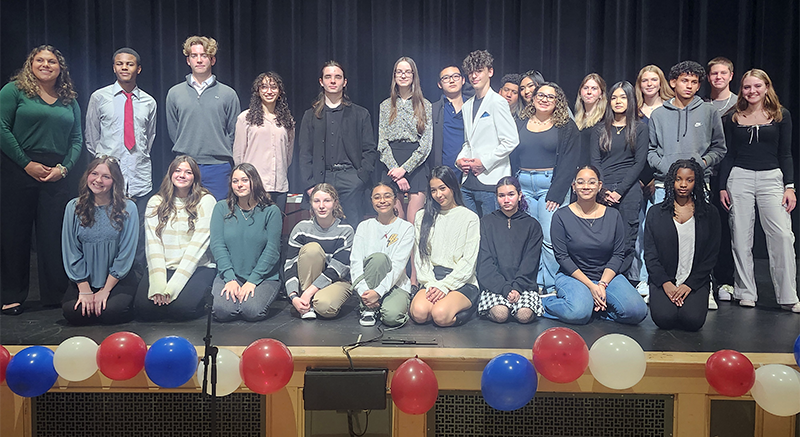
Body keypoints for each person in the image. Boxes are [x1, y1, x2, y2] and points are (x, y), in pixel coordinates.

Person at [0, 45, 82, 315]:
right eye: (40, 60)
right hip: (18, 167)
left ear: (61, 68)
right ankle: (12, 295)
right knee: (15, 234)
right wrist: (26, 163)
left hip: (56, 171)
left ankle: (55, 295)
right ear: (30, 63)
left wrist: (65, 168)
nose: (46, 65)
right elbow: (1, 127)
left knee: (54, 235)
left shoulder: (69, 98)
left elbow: (77, 139)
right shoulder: (14, 91)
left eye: (52, 62)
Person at [648, 60, 726, 310]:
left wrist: (701, 164)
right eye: (684, 80)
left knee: (699, 240)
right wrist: (667, 169)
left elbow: (719, 148)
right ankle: (660, 286)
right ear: (673, 82)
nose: (689, 86)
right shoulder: (659, 114)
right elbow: (650, 151)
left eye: (694, 82)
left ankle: (704, 287)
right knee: (663, 240)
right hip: (663, 186)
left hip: (699, 186)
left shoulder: (709, 112)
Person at [719, 69, 800, 312]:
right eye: (746, 87)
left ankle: (788, 295)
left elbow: (786, 153)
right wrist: (723, 185)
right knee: (741, 236)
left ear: (766, 87)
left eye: (757, 86)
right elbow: (728, 154)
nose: (752, 91)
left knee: (783, 237)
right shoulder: (733, 116)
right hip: (740, 177)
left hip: (771, 177)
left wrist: (790, 186)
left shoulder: (780, 115)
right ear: (741, 90)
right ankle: (745, 291)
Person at [85, 47, 157, 278]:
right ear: (114, 67)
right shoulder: (99, 97)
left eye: (129, 64)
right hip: (108, 178)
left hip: (138, 175)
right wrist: (104, 165)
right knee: (108, 228)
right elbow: (92, 137)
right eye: (120, 64)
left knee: (137, 233)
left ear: (139, 68)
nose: (124, 68)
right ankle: (105, 277)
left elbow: (150, 137)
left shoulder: (149, 102)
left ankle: (133, 281)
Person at [542, 166, 648, 325]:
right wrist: (591, 286)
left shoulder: (613, 215)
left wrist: (602, 285)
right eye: (581, 182)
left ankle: (594, 306)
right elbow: (562, 257)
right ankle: (544, 304)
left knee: (637, 311)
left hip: (606, 277)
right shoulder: (561, 216)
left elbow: (618, 254)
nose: (586, 186)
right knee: (578, 313)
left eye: (591, 182)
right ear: (574, 187)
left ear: (599, 186)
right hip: (573, 276)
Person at [512, 82, 579, 291]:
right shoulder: (520, 122)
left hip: (550, 186)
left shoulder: (566, 126)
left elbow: (570, 162)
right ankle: (532, 284)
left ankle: (550, 286)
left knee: (550, 239)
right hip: (523, 186)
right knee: (530, 239)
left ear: (558, 101)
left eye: (550, 97)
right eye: (541, 95)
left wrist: (557, 192)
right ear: (533, 98)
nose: (544, 99)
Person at [134, 155, 217, 321]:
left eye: (188, 172)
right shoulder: (156, 202)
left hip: (196, 267)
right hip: (165, 267)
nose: (182, 175)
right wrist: (158, 284)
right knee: (144, 309)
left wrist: (173, 286)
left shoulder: (206, 201)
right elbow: (153, 245)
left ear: (195, 177)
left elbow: (197, 248)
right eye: (178, 171)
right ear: (170, 174)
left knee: (181, 310)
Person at [298, 61, 378, 227]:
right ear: (321, 82)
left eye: (337, 77)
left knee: (352, 227)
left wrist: (360, 179)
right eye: (328, 77)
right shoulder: (310, 115)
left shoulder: (360, 114)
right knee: (321, 229)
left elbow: (369, 149)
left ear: (344, 82)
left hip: (351, 179)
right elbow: (304, 152)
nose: (333, 81)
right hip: (322, 179)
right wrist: (310, 184)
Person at [61, 157, 139, 325]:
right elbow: (71, 251)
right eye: (94, 174)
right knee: (73, 312)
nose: (98, 180)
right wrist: (85, 290)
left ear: (114, 181)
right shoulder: (73, 207)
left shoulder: (128, 208)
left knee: (111, 312)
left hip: (117, 279)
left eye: (106, 176)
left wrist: (105, 290)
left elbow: (125, 254)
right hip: (85, 278)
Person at [645, 159, 720, 330]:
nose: (683, 184)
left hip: (694, 281)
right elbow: (650, 254)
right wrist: (666, 283)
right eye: (678, 179)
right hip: (664, 281)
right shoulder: (656, 213)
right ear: (671, 181)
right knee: (664, 318)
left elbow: (711, 256)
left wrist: (689, 284)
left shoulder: (710, 214)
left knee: (692, 321)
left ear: (697, 182)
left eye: (689, 180)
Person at [166, 35, 240, 201]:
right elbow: (173, 130)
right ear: (188, 61)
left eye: (204, 55)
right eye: (194, 56)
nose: (199, 60)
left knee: (218, 214)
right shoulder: (175, 93)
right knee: (185, 214)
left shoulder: (228, 94)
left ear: (212, 60)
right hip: (185, 165)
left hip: (218, 167)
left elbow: (234, 131)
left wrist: (219, 151)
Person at [590, 81, 648, 281]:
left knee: (626, 238)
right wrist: (603, 190)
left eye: (623, 97)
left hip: (629, 189)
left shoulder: (640, 129)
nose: (618, 101)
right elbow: (595, 161)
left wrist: (620, 191)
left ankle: (619, 280)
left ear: (630, 100)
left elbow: (639, 163)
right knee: (601, 237)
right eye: (614, 97)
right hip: (602, 188)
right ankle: (599, 280)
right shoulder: (599, 129)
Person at [210, 163, 282, 322]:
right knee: (223, 311)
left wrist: (252, 281)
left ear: (254, 181)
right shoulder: (221, 208)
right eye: (235, 181)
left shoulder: (271, 211)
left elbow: (272, 250)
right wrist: (229, 278)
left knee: (251, 310)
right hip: (229, 274)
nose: (239, 185)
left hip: (263, 277)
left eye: (244, 180)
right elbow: (217, 245)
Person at [410, 166, 480, 327]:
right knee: (419, 313)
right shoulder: (422, 216)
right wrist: (432, 283)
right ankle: (441, 304)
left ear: (453, 187)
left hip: (462, 281)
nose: (438, 195)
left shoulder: (470, 218)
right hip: (432, 279)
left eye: (443, 188)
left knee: (440, 316)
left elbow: (469, 262)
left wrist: (445, 286)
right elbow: (421, 258)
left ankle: (468, 308)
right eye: (434, 190)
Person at [457, 50, 519, 217]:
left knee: (490, 233)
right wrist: (460, 159)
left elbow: (511, 140)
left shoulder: (498, 102)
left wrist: (484, 162)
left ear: (490, 72)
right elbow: (468, 142)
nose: (474, 76)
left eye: (478, 71)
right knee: (470, 233)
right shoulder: (467, 105)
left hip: (491, 180)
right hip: (468, 181)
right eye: (470, 72)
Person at [476, 176, 543, 323]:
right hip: (496, 286)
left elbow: (530, 263)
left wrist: (517, 288)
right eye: (502, 196)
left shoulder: (532, 225)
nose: (506, 200)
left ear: (519, 195)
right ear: (496, 198)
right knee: (501, 314)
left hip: (523, 285)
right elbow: (485, 262)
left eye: (511, 194)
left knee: (524, 315)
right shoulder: (486, 223)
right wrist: (504, 288)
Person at [632, 64, 673, 298]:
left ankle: (653, 277)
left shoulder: (669, 109)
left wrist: (654, 177)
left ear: (661, 83)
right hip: (636, 178)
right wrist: (638, 178)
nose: (649, 84)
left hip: (659, 177)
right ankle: (638, 279)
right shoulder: (634, 111)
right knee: (637, 230)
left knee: (656, 230)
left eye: (653, 80)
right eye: (644, 80)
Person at [284, 183, 354, 319]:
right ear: (311, 204)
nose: (321, 206)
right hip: (307, 282)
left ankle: (308, 301)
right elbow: (290, 265)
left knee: (325, 307)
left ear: (335, 203)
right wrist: (293, 296)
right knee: (312, 249)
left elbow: (338, 270)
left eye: (327, 201)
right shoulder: (301, 229)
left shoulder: (346, 231)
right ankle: (306, 305)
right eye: (317, 201)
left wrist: (308, 293)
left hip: (337, 281)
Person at [350, 182, 415, 327]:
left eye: (387, 196)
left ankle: (379, 304)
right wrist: (365, 292)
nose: (382, 201)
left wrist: (378, 292)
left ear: (395, 199)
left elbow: (398, 266)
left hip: (396, 284)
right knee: (377, 259)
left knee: (392, 318)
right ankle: (368, 308)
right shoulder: (364, 226)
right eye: (377, 197)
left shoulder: (406, 228)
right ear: (371, 201)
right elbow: (356, 262)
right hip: (368, 284)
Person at [377, 56, 432, 221]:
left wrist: (405, 169)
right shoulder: (385, 106)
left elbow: (426, 144)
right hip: (391, 164)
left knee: (414, 222)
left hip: (416, 164)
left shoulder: (425, 105)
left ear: (414, 76)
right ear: (394, 76)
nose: (403, 75)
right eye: (399, 72)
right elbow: (382, 142)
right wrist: (396, 171)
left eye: (408, 72)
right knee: (396, 222)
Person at [233, 72, 295, 213]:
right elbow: (238, 155)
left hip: (279, 186)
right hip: (254, 186)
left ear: (279, 92)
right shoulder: (245, 118)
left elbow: (288, 154)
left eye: (273, 87)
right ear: (258, 91)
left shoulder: (287, 121)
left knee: (275, 229)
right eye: (264, 87)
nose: (269, 91)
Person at [706, 57, 737, 301]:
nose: (718, 77)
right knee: (706, 230)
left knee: (727, 230)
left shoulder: (739, 105)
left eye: (723, 73)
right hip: (704, 176)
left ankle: (726, 280)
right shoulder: (702, 104)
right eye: (714, 73)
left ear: (730, 75)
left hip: (728, 177)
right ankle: (705, 281)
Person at [429, 64, 466, 176]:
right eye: (446, 78)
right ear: (439, 84)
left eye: (456, 76)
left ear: (463, 80)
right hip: (443, 174)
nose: (451, 81)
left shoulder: (473, 106)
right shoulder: (433, 109)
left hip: (469, 171)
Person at [574, 73, 607, 166]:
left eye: (594, 88)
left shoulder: (605, 119)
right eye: (585, 88)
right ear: (580, 93)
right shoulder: (575, 119)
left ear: (601, 94)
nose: (589, 92)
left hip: (595, 171)